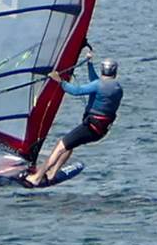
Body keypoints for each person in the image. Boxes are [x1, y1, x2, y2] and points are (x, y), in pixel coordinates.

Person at [24, 53, 120, 187]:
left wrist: (59, 81)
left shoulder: (99, 85)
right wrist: (89, 64)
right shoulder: (116, 87)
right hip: (100, 131)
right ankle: (52, 174)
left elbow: (76, 91)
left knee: (60, 146)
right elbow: (95, 81)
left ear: (103, 69)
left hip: (90, 128)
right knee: (69, 146)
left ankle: (36, 177)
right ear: (115, 72)